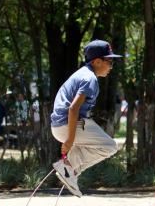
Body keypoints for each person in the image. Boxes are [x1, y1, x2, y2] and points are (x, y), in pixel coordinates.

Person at [50, 39, 121, 197]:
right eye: (110, 61)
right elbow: (73, 108)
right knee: (109, 147)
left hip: (60, 125)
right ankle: (68, 169)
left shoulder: (83, 74)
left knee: (94, 145)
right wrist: (69, 140)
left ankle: (70, 171)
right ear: (97, 61)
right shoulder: (89, 79)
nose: (111, 66)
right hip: (67, 124)